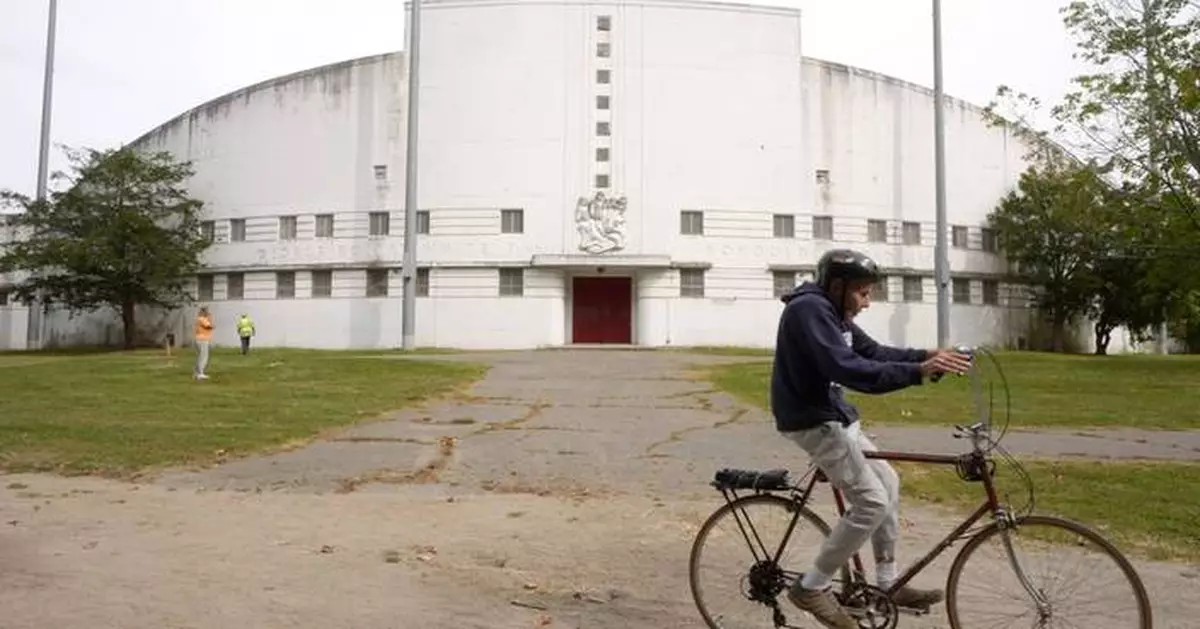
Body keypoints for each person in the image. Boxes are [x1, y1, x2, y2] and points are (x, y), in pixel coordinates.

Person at [770, 248, 972, 629]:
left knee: (888, 484)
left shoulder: (835, 314)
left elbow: (874, 352)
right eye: (862, 293)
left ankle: (887, 584)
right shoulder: (809, 311)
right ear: (837, 286)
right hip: (812, 421)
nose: (867, 302)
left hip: (834, 417)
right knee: (871, 501)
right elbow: (849, 369)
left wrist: (930, 356)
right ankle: (811, 586)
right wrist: (918, 371)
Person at [193, 306, 214, 381]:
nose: (208, 312)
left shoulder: (200, 318)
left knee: (199, 357)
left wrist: (209, 319)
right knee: (204, 357)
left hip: (199, 339)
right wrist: (210, 319)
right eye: (207, 311)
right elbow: (209, 326)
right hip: (203, 339)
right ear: (204, 311)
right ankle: (200, 373)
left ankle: (196, 373)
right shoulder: (202, 319)